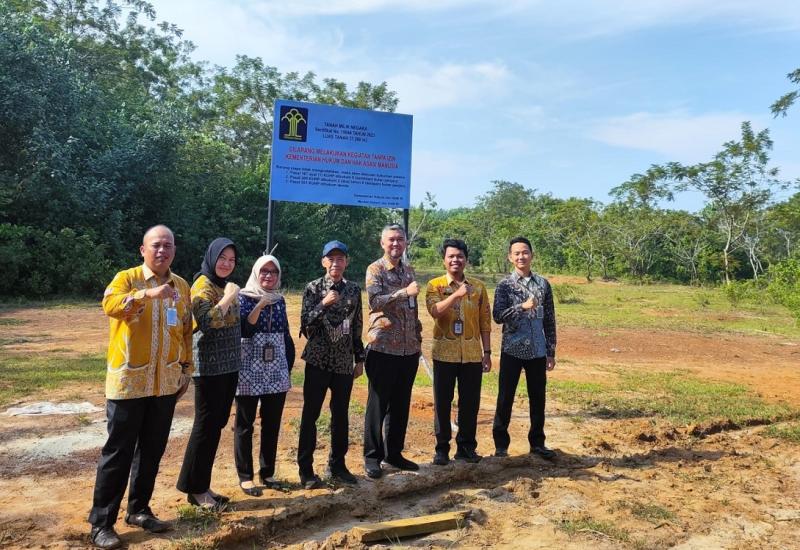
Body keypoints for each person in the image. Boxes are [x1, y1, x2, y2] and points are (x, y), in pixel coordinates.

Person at [88, 225, 192, 550]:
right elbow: (110, 305)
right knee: (118, 452)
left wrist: (186, 368)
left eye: (168, 246)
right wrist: (147, 294)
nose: (162, 251)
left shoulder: (181, 286)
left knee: (152, 450)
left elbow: (185, 330)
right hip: (128, 383)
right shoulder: (127, 278)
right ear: (143, 249)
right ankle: (102, 522)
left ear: (174, 250)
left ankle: (139, 510)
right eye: (156, 245)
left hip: (164, 384)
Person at [176, 238, 241, 509]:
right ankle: (195, 489)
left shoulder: (221, 284)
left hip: (228, 367)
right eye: (222, 258)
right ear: (212, 257)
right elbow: (208, 321)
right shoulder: (202, 285)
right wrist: (228, 297)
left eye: (231, 259)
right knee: (205, 426)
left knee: (215, 426)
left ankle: (201, 486)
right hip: (209, 369)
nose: (226, 263)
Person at [297, 240, 365, 488]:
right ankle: (305, 469)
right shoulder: (313, 288)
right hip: (317, 360)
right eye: (331, 258)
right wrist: (323, 304)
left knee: (341, 414)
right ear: (323, 261)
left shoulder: (354, 290)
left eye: (340, 258)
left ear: (346, 262)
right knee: (310, 414)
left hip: (343, 362)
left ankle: (338, 464)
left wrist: (360, 359)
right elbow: (305, 326)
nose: (336, 263)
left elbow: (357, 326)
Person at [425, 238, 492, 466]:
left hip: (472, 354)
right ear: (444, 260)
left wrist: (488, 352)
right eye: (451, 256)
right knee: (443, 401)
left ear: (466, 260)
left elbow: (485, 322)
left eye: (460, 256)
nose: (456, 260)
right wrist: (456, 295)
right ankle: (441, 448)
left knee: (470, 403)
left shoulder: (479, 287)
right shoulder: (435, 286)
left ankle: (466, 447)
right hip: (444, 353)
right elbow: (435, 311)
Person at [362, 224, 422, 479]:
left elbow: (412, 306)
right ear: (382, 243)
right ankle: (372, 458)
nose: (396, 244)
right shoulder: (375, 269)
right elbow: (374, 302)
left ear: (406, 242)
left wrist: (417, 333)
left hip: (408, 349)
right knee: (378, 404)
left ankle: (394, 453)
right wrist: (401, 292)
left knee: (400, 405)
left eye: (400, 239)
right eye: (391, 240)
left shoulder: (408, 270)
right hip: (383, 347)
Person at [492, 236, 558, 460]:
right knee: (505, 397)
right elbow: (498, 316)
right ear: (510, 257)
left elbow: (549, 319)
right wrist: (521, 307)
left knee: (538, 397)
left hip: (538, 351)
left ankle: (538, 443)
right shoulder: (504, 285)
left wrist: (551, 351)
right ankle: (501, 445)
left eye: (525, 252)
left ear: (532, 255)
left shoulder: (543, 284)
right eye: (516, 253)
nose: (521, 256)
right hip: (512, 348)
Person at [234, 255, 295, 496]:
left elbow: (286, 334)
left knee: (272, 423)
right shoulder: (243, 298)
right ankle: (245, 476)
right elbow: (245, 330)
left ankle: (267, 473)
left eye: (274, 272)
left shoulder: (280, 301)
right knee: (245, 424)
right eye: (264, 271)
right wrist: (260, 304)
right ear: (256, 273)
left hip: (276, 370)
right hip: (249, 368)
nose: (269, 276)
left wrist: (286, 365)